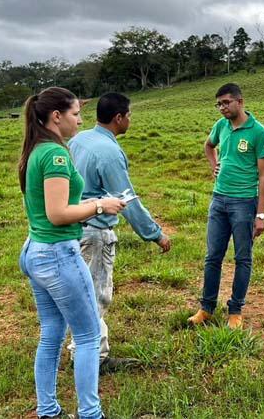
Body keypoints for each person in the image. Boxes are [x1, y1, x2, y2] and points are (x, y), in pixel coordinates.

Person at [17, 86, 125, 419]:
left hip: (35, 251)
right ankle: (91, 414)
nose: (80, 121)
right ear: (56, 116)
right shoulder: (56, 155)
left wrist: (95, 203)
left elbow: (54, 207)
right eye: (76, 114)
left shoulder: (37, 150)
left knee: (51, 332)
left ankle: (47, 410)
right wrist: (99, 205)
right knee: (89, 335)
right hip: (58, 255)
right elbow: (58, 214)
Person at [68, 92, 172, 373]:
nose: (130, 119)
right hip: (95, 230)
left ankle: (83, 351)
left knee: (82, 290)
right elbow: (126, 200)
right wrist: (155, 234)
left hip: (72, 225)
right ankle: (91, 358)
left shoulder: (78, 140)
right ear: (118, 118)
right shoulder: (109, 152)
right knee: (96, 295)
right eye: (129, 115)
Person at [188, 83, 264, 330]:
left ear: (240, 101)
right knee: (212, 256)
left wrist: (260, 214)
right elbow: (208, 145)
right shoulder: (220, 126)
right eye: (219, 104)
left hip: (244, 203)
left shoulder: (258, 132)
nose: (222, 108)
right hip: (219, 200)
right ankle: (206, 308)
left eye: (226, 102)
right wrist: (213, 164)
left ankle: (235, 311)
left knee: (242, 258)